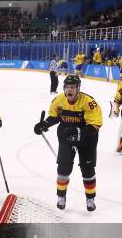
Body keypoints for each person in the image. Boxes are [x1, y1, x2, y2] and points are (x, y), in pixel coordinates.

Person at [34, 75, 102, 211]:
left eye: (72, 87)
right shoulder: (59, 100)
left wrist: (78, 132)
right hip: (65, 136)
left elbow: (95, 124)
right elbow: (54, 116)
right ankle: (61, 196)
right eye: (67, 87)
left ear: (78, 88)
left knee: (88, 170)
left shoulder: (88, 102)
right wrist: (45, 124)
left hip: (87, 139)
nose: (69, 90)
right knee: (63, 169)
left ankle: (90, 199)